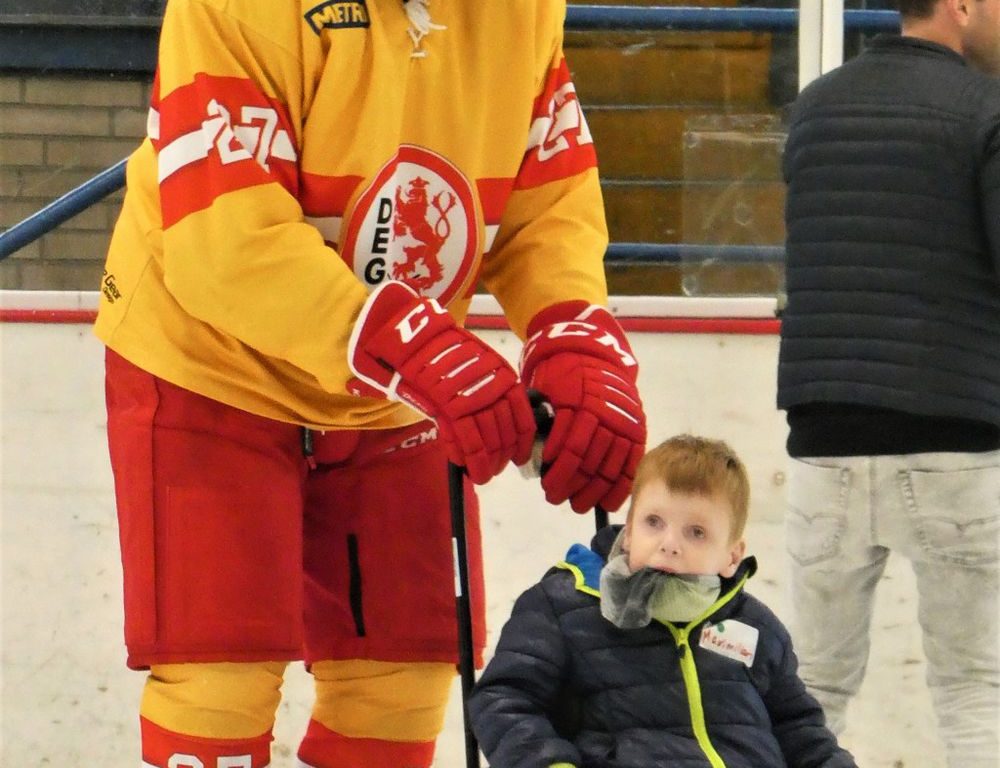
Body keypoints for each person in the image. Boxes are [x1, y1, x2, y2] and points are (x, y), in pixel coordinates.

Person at [93, 1, 647, 766]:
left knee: (401, 678)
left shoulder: (523, 10)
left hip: (395, 386)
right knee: (219, 683)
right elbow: (223, 237)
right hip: (209, 363)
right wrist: (410, 345)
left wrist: (571, 328)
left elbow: (545, 200)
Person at [779, 1, 1000, 765]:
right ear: (962, 5)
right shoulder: (988, 110)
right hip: (955, 439)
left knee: (810, 695)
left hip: (823, 441)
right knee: (975, 689)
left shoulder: (813, 109)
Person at [468, 435, 856, 768]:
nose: (670, 544)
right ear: (630, 531)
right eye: (654, 522)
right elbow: (502, 698)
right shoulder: (566, 606)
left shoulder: (754, 627)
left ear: (731, 557)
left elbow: (799, 728)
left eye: (696, 532)